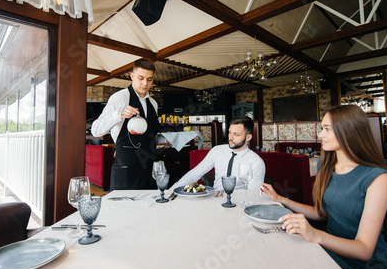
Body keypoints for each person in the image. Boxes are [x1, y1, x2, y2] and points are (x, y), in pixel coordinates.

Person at [260, 105, 387, 269]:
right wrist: (280, 199)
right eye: (322, 128)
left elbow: (364, 249)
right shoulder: (325, 165)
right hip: (329, 249)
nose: (320, 135)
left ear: (349, 131)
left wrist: (315, 234)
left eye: (326, 129)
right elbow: (321, 213)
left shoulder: (378, 178)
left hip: (370, 267)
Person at [91, 59, 159, 191]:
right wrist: (118, 114)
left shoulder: (153, 103)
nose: (145, 83)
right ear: (132, 76)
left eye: (149, 79)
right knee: (124, 210)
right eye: (141, 78)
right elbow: (96, 130)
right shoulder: (119, 98)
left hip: (149, 168)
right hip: (126, 168)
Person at [170, 116, 265, 191]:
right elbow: (194, 174)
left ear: (248, 137)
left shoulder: (256, 162)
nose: (230, 138)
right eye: (229, 133)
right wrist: (171, 191)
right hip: (215, 200)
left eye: (236, 134)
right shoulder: (217, 151)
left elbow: (253, 195)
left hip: (238, 205)